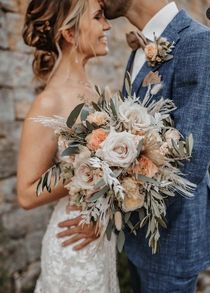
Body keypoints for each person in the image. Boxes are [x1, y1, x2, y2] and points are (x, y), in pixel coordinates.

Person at [58, 0, 210, 292]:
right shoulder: (139, 49)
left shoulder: (202, 45)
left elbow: (189, 165)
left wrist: (104, 212)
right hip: (138, 239)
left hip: (171, 240)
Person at [17, 0, 120, 292]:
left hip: (99, 236)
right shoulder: (49, 102)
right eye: (98, 17)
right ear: (70, 34)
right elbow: (25, 194)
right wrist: (88, 167)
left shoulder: (97, 91)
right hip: (72, 245)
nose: (107, 25)